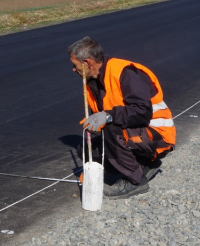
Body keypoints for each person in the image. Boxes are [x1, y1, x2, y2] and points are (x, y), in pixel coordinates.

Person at [68, 36, 175, 199]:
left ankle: (135, 182)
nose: (73, 70)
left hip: (157, 135)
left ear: (88, 63)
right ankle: (144, 166)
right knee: (87, 151)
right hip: (135, 133)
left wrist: (108, 116)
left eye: (75, 66)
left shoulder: (126, 73)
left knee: (112, 126)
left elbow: (141, 112)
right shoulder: (92, 82)